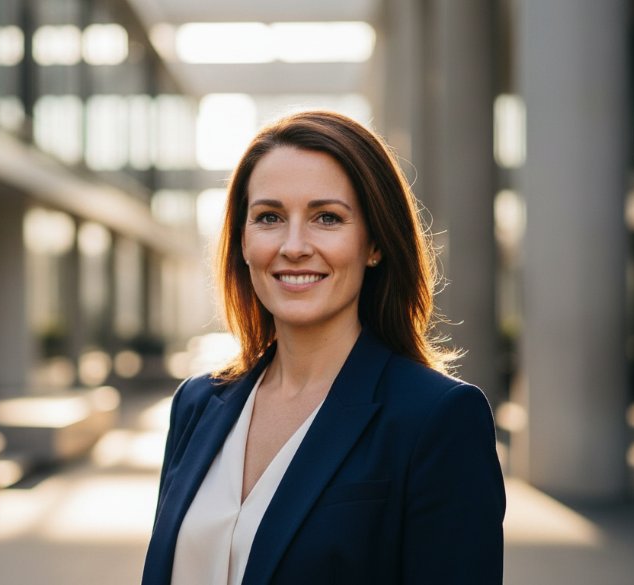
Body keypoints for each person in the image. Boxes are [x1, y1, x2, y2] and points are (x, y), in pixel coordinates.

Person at [141, 111, 505, 585]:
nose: (293, 246)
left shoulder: (438, 419)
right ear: (243, 242)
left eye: (326, 218)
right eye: (269, 217)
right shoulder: (197, 404)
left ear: (373, 243)